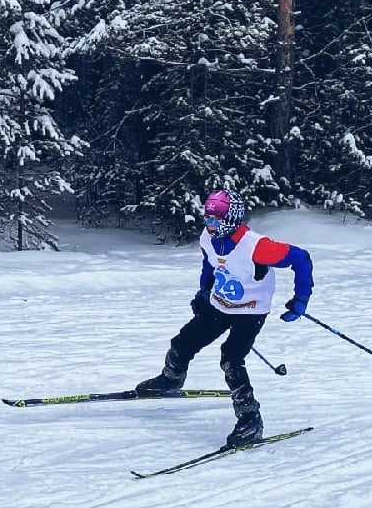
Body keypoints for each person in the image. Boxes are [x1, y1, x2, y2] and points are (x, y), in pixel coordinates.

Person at [134, 188, 314, 448]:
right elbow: (210, 264)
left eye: (217, 220)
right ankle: (171, 379)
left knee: (231, 358)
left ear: (232, 218)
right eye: (207, 219)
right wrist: (204, 291)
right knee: (183, 342)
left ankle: (250, 419)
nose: (211, 224)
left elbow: (302, 258)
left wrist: (301, 300)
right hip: (220, 304)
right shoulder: (208, 237)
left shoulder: (257, 246)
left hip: (250, 311)